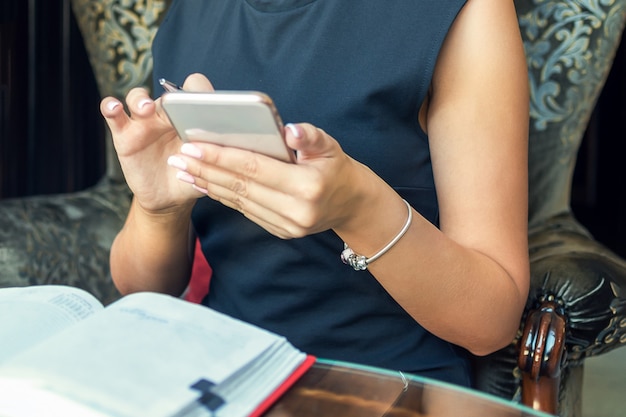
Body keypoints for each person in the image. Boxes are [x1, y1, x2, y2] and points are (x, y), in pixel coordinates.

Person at [100, 0, 530, 387]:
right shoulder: (190, 14)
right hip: (221, 374)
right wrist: (157, 207)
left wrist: (359, 208)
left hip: (383, 386)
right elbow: (141, 289)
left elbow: (492, 321)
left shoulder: (464, 11)